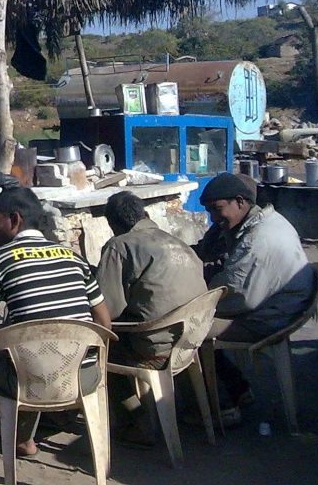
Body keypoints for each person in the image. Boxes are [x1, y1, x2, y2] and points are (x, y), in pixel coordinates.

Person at [0, 188, 111, 458]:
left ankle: (20, 438)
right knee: (31, 350)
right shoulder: (74, 257)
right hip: (83, 378)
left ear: (14, 219)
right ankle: (60, 413)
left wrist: (12, 334)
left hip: (28, 378)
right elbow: (104, 323)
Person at [193, 173, 316, 422]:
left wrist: (194, 295)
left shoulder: (258, 239)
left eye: (217, 209)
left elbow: (238, 297)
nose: (214, 218)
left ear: (240, 202)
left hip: (270, 317)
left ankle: (220, 406)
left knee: (187, 329)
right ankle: (238, 389)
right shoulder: (261, 221)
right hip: (277, 306)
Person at [97, 190, 207, 445]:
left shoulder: (119, 245)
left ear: (112, 224)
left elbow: (109, 309)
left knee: (100, 350)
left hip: (156, 346)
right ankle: (196, 409)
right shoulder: (175, 241)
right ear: (144, 214)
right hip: (193, 336)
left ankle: (138, 423)